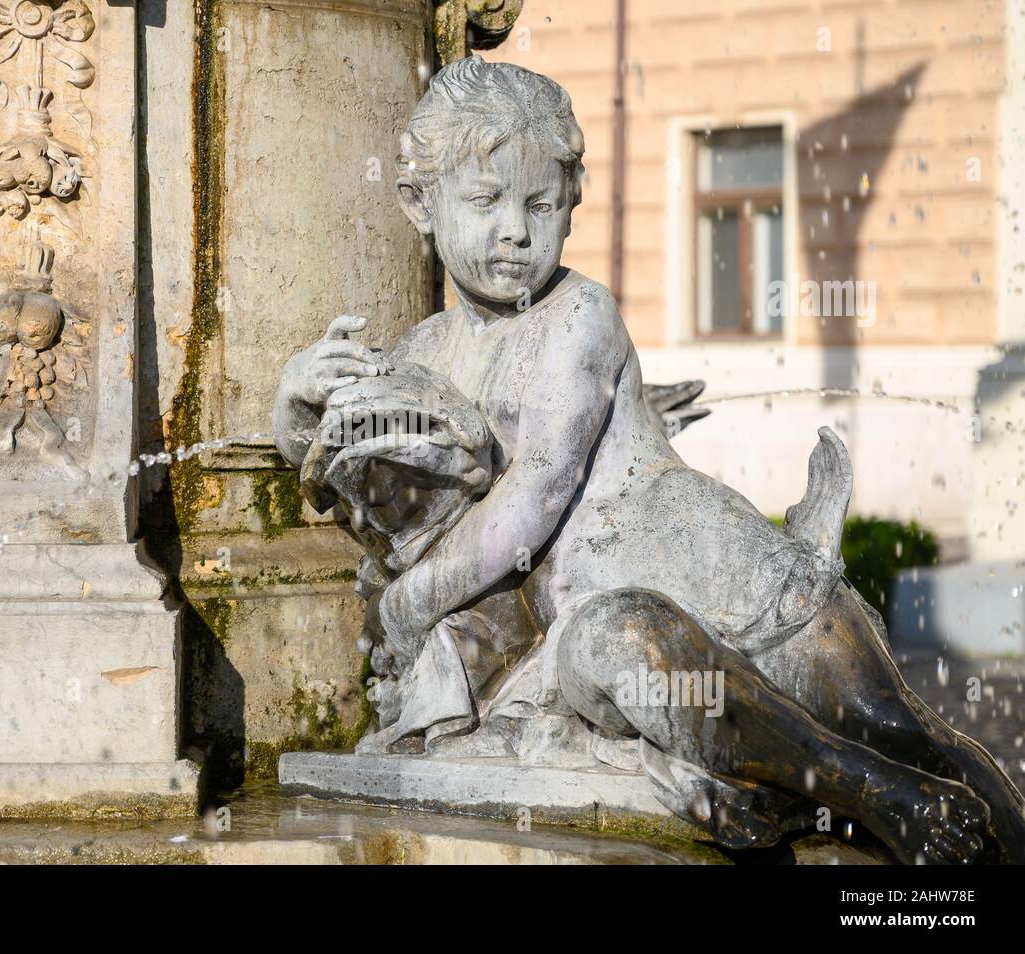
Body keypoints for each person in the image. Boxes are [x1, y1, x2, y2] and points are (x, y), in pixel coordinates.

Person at [272, 56, 1024, 864]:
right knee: (625, 645)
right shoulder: (427, 347)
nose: (516, 231)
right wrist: (296, 404)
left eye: (541, 204)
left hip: (741, 593)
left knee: (913, 737)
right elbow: (341, 474)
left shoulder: (578, 315)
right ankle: (863, 791)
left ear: (571, 205)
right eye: (486, 201)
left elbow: (534, 499)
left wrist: (408, 603)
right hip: (613, 635)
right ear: (418, 203)